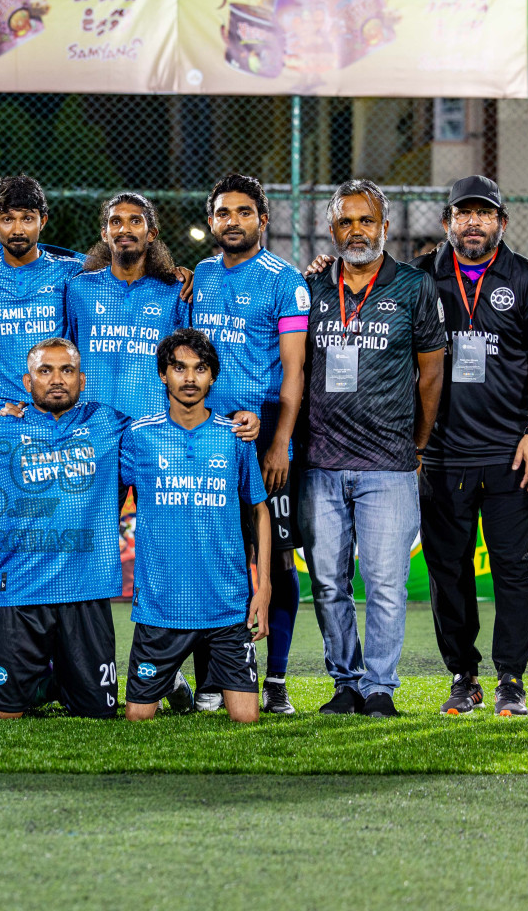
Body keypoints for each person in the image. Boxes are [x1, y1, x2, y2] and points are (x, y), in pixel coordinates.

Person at [299, 179, 445, 718]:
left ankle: (380, 685)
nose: (355, 230)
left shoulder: (412, 287)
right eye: (345, 221)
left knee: (386, 583)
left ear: (384, 227)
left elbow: (431, 374)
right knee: (329, 583)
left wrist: (418, 444)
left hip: (389, 462)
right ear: (330, 229)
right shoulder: (310, 288)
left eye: (366, 220)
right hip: (320, 462)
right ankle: (345, 683)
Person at [415, 177, 528, 717]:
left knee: (512, 570)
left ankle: (511, 680)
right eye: (463, 213)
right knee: (447, 571)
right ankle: (462, 675)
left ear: (502, 221)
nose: (473, 223)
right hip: (442, 453)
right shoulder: (421, 276)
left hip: (508, 454)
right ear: (447, 220)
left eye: (484, 213)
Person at [188, 174, 308, 715]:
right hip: (208, 433)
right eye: (222, 212)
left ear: (263, 219)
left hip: (263, 432)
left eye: (243, 211)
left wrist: (280, 440)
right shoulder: (201, 278)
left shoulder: (285, 281)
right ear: (211, 221)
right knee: (212, 557)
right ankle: (215, 677)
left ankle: (277, 677)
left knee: (276, 558)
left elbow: (293, 369)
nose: (231, 221)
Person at [119, 328, 270, 723]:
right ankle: (173, 683)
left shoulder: (235, 437)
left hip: (226, 605)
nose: (189, 378)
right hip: (160, 605)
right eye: (179, 368)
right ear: (162, 375)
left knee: (247, 719)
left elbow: (260, 510)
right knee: (136, 718)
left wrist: (263, 586)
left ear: (213, 376)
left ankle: (184, 683)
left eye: (200, 369)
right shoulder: (139, 436)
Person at [0, 337, 128, 718]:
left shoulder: (110, 423)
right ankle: (47, 680)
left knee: (99, 714)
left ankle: (60, 680)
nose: (57, 379)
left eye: (66, 370)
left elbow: (173, 425)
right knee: (5, 714)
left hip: (86, 588)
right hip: (21, 591)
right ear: (28, 384)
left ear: (82, 379)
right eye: (45, 371)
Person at [63, 193, 196, 422]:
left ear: (151, 233)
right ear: (105, 234)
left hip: (153, 426)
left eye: (135, 221)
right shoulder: (79, 289)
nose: (124, 229)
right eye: (116, 222)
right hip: (91, 426)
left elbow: (187, 364)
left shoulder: (175, 292)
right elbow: (65, 358)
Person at [0, 176, 85, 417]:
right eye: (7, 219)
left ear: (43, 221)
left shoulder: (70, 273)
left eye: (27, 218)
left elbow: (122, 269)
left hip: (59, 415)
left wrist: (171, 272)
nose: (18, 229)